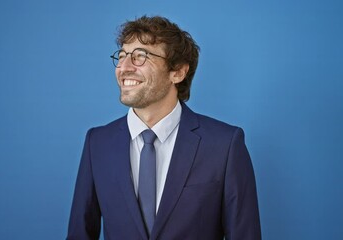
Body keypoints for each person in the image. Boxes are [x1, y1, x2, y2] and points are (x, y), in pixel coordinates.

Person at [67, 16, 261, 240]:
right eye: (121, 56)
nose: (124, 67)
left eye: (140, 56)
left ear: (177, 72)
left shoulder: (224, 144)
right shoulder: (97, 143)